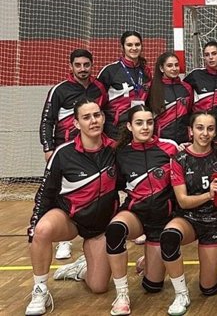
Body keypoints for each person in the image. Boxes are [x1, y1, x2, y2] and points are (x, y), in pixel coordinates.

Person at [25, 99, 118, 316]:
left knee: (98, 287)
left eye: (97, 115)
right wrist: (33, 227)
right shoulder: (63, 153)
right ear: (76, 123)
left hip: (99, 228)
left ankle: (80, 269)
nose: (93, 121)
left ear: (103, 118)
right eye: (86, 117)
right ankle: (40, 290)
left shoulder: (115, 151)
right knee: (42, 230)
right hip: (69, 218)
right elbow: (45, 195)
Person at [105, 105, 178, 316]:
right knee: (115, 229)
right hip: (135, 214)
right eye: (139, 123)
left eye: (149, 122)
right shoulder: (121, 153)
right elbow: (113, 185)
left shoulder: (170, 148)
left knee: (153, 287)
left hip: (161, 221)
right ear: (129, 126)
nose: (145, 127)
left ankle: (147, 260)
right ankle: (122, 294)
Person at [39, 48, 108, 260]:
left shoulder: (99, 89)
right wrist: (48, 147)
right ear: (71, 67)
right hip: (65, 151)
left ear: (91, 65)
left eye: (86, 65)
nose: (82, 69)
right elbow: (46, 120)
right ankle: (64, 241)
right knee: (61, 194)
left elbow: (105, 117)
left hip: (91, 152)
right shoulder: (59, 90)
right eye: (78, 65)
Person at [162, 112, 217, 315]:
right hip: (188, 219)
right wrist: (209, 195)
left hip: (215, 222)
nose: (205, 133)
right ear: (190, 131)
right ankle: (181, 293)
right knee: (169, 236)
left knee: (209, 289)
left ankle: (215, 267)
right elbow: (183, 201)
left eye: (210, 128)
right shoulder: (179, 158)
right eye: (200, 128)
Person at [98, 31, 151, 138]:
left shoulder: (146, 71)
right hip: (115, 129)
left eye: (137, 44)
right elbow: (97, 102)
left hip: (140, 128)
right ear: (123, 47)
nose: (134, 48)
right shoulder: (110, 71)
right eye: (129, 45)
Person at [184, 41, 217, 144]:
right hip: (199, 129)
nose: (210, 57)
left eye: (214, 53)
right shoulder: (195, 75)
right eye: (207, 55)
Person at [147, 52, 194, 144]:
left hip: (184, 141)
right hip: (161, 142)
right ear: (161, 68)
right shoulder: (151, 88)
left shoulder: (187, 88)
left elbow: (190, 112)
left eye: (176, 65)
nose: (174, 68)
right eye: (169, 66)